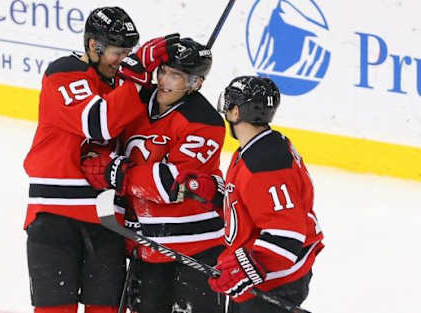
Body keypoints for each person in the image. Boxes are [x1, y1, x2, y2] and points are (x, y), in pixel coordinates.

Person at [23, 7, 179, 313]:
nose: (123, 60)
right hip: (56, 215)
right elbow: (97, 122)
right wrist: (136, 79)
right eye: (118, 53)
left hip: (107, 218)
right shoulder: (64, 72)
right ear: (94, 46)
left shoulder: (123, 86)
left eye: (128, 53)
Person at [81, 38, 227, 313]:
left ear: (195, 84)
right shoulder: (139, 99)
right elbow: (102, 134)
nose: (164, 80)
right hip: (146, 243)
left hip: (196, 245)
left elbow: (169, 183)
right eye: (163, 70)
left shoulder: (205, 122)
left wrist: (116, 171)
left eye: (176, 76)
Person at [180, 75, 325, 312]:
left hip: (276, 279)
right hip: (264, 274)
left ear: (235, 113)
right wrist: (217, 194)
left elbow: (286, 234)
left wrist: (247, 268)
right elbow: (255, 204)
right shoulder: (261, 145)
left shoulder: (265, 163)